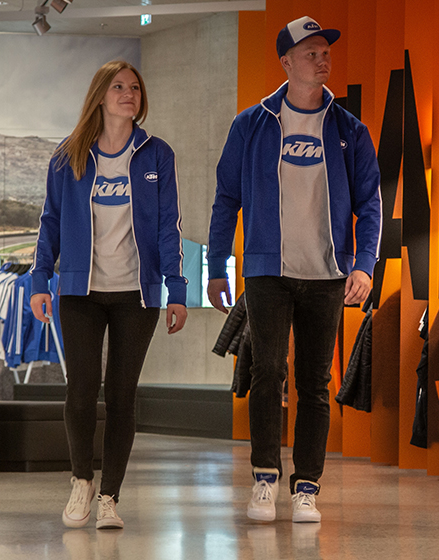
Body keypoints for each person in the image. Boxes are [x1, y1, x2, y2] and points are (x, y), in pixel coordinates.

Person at [206, 16, 382, 525]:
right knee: (267, 372)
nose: (322, 59)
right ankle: (264, 478)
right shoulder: (251, 124)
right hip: (268, 273)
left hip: (328, 275)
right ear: (286, 62)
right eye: (311, 53)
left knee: (315, 382)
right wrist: (217, 266)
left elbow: (370, 204)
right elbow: (226, 198)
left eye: (325, 52)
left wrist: (364, 265)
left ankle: (307, 487)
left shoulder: (350, 130)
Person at [29, 60, 190, 530]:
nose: (128, 94)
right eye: (118, 86)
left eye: (134, 87)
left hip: (137, 296)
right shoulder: (69, 156)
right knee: (81, 391)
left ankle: (110, 497)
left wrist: (176, 288)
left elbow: (169, 226)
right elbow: (50, 222)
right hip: (80, 292)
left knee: (122, 396)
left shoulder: (156, 154)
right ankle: (82, 480)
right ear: (100, 95)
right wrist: (40, 280)